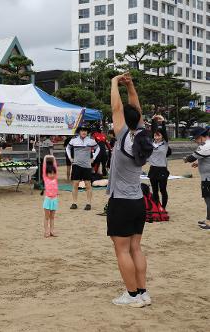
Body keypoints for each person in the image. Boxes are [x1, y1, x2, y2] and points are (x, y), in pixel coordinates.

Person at [108, 73, 152, 307]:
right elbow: (136, 109)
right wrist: (131, 86)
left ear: (125, 120)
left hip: (122, 202)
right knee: (136, 247)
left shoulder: (124, 137)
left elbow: (117, 108)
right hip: (137, 200)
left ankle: (132, 295)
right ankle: (143, 292)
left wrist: (115, 82)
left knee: (122, 250)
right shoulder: (142, 136)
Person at [66, 126, 100, 210]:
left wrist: (94, 158)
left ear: (87, 132)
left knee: (88, 185)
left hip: (87, 166)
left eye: (85, 131)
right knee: (75, 184)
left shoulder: (91, 141)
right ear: (79, 132)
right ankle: (74, 203)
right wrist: (70, 158)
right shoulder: (74, 140)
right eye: (82, 130)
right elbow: (67, 148)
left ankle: (88, 203)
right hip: (76, 165)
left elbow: (98, 148)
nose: (84, 132)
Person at [183, 127, 210, 230]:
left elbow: (191, 158)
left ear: (201, 137)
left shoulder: (205, 146)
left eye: (196, 139)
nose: (195, 141)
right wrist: (199, 163)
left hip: (208, 178)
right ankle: (208, 218)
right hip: (207, 177)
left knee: (208, 199)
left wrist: (186, 159)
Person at [148, 115, 171, 209]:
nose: (157, 137)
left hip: (162, 169)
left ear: (162, 136)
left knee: (163, 190)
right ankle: (157, 206)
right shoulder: (151, 143)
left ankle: (163, 207)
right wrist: (153, 120)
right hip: (153, 169)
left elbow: (164, 133)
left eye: (159, 135)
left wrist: (163, 122)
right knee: (154, 190)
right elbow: (153, 130)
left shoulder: (165, 144)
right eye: (155, 135)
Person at [42, 155, 59, 238]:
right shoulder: (46, 178)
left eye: (53, 173)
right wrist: (46, 158)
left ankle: (52, 231)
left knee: (52, 217)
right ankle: (46, 231)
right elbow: (44, 167)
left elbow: (55, 166)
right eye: (50, 173)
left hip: (54, 199)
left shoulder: (55, 178)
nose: (52, 175)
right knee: (47, 217)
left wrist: (53, 158)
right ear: (47, 174)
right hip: (48, 199)